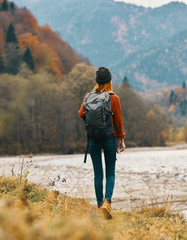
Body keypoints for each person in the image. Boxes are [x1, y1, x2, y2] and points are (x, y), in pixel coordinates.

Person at [78, 67, 125, 219]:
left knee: (98, 174)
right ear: (109, 81)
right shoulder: (114, 98)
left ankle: (99, 206)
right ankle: (107, 203)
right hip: (108, 138)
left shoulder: (88, 97)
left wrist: (92, 121)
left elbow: (81, 113)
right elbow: (118, 122)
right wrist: (121, 140)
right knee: (110, 173)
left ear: (97, 82)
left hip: (93, 139)